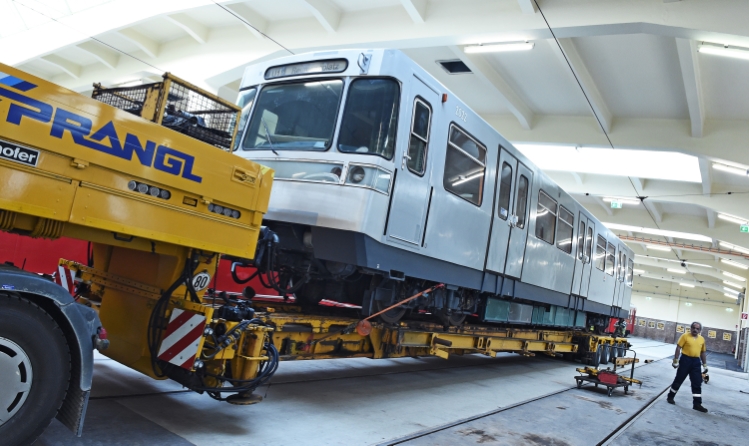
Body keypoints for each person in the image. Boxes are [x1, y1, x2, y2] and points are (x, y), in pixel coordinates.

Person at [667, 321, 708, 412]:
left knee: (697, 383)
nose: (695, 330)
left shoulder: (702, 339)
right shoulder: (684, 336)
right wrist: (675, 360)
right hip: (685, 360)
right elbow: (678, 347)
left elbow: (703, 352)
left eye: (697, 328)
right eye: (693, 328)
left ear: (700, 330)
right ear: (691, 328)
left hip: (696, 362)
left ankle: (697, 404)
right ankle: (670, 397)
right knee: (679, 380)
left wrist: (704, 365)